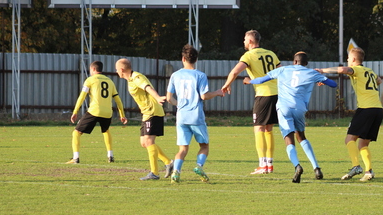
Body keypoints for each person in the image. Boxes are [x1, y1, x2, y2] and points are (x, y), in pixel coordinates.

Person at [247, 51, 337, 183]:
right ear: (306, 63)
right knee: (301, 136)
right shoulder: (311, 73)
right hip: (299, 108)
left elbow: (262, 80)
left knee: (288, 139)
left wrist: (249, 81)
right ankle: (316, 167)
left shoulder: (283, 69)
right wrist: (321, 78)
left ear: (294, 62)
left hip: (283, 108)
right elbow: (333, 84)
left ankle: (297, 166)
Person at [316, 47, 383, 182]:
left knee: (349, 140)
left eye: (348, 58)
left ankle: (356, 166)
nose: (347, 60)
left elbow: (343, 70)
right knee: (363, 144)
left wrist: (322, 71)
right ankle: (369, 171)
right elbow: (379, 80)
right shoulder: (369, 71)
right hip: (378, 110)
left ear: (353, 59)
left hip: (366, 109)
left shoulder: (356, 70)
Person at [222, 30, 281, 175]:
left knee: (259, 128)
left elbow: (235, 72)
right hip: (276, 94)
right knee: (269, 129)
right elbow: (281, 71)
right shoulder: (271, 54)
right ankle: (269, 164)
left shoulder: (249, 55)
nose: (243, 41)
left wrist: (227, 84)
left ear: (250, 41)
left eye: (244, 39)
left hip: (263, 95)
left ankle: (262, 165)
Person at [166, 45, 224, 184]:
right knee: (204, 146)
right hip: (196, 116)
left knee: (183, 149)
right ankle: (199, 166)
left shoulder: (175, 75)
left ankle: (176, 172)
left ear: (183, 58)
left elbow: (169, 98)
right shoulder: (200, 75)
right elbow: (204, 96)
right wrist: (217, 92)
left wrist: (177, 104)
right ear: (196, 59)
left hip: (182, 117)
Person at [115, 58, 173, 180]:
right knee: (144, 143)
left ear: (121, 69)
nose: (116, 72)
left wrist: (157, 97)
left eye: (116, 69)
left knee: (149, 142)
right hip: (146, 113)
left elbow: (147, 87)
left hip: (152, 112)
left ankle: (155, 173)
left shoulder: (136, 77)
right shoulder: (130, 79)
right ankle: (168, 162)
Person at [67, 61, 127, 164]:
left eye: (90, 70)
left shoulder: (90, 80)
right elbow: (118, 100)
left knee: (76, 132)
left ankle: (75, 158)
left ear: (93, 69)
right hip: (107, 112)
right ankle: (110, 155)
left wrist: (75, 111)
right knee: (106, 131)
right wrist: (122, 115)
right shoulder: (110, 81)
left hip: (94, 111)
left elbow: (82, 97)